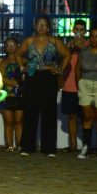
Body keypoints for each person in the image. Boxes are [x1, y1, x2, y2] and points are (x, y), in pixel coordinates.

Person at [16, 16, 70, 157]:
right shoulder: (29, 41)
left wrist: (60, 70)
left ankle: (49, 148)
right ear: (35, 26)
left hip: (48, 77)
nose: (42, 27)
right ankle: (27, 147)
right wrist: (22, 67)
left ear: (49, 27)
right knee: (30, 111)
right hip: (32, 76)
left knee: (49, 112)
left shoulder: (54, 41)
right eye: (39, 24)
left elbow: (67, 54)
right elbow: (18, 53)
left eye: (44, 24)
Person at [76, 27, 97, 158]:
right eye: (92, 36)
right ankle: (86, 147)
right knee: (87, 117)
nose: (94, 39)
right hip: (85, 85)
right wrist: (80, 83)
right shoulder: (84, 52)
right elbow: (77, 69)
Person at [0, 37, 24, 152]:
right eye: (8, 45)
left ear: (18, 45)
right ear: (5, 48)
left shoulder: (23, 61)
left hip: (21, 96)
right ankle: (9, 146)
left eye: (13, 44)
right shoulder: (3, 62)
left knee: (19, 122)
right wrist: (14, 83)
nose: (11, 46)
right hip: (6, 95)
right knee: (8, 122)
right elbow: (0, 78)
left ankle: (19, 146)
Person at [60, 35, 81, 153]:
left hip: (82, 88)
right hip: (68, 88)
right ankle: (73, 145)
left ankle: (86, 145)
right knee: (71, 117)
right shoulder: (66, 52)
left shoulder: (85, 51)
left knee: (86, 117)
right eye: (77, 30)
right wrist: (66, 49)